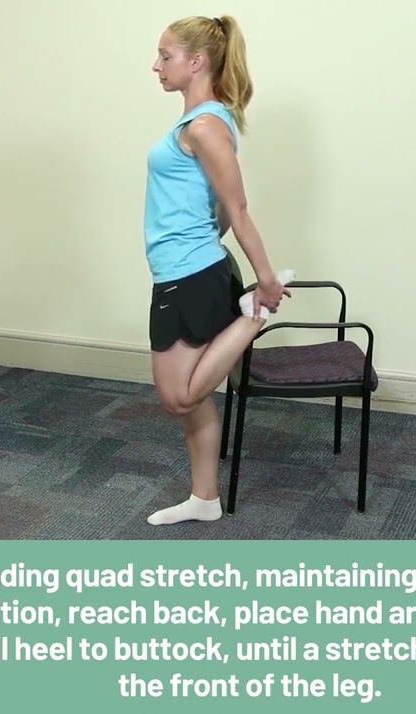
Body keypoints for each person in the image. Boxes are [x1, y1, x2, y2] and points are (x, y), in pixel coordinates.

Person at [142, 14, 294, 525]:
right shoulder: (207, 121)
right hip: (190, 269)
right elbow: (224, 209)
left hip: (190, 276)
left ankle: (251, 317)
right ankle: (204, 499)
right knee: (194, 398)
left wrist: (266, 282)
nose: (157, 66)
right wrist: (205, 245)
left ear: (196, 61)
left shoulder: (206, 126)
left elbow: (240, 207)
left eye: (166, 56)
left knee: (177, 396)